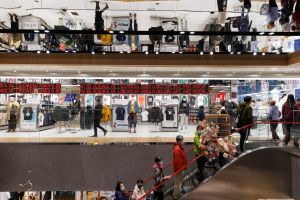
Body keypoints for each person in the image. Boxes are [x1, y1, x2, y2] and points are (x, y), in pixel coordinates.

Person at [172, 135, 188, 199]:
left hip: (181, 168)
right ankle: (176, 195)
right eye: (182, 140)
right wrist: (180, 169)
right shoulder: (177, 149)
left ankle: (177, 193)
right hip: (179, 169)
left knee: (179, 182)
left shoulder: (179, 148)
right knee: (178, 182)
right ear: (179, 141)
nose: (183, 141)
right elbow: (177, 161)